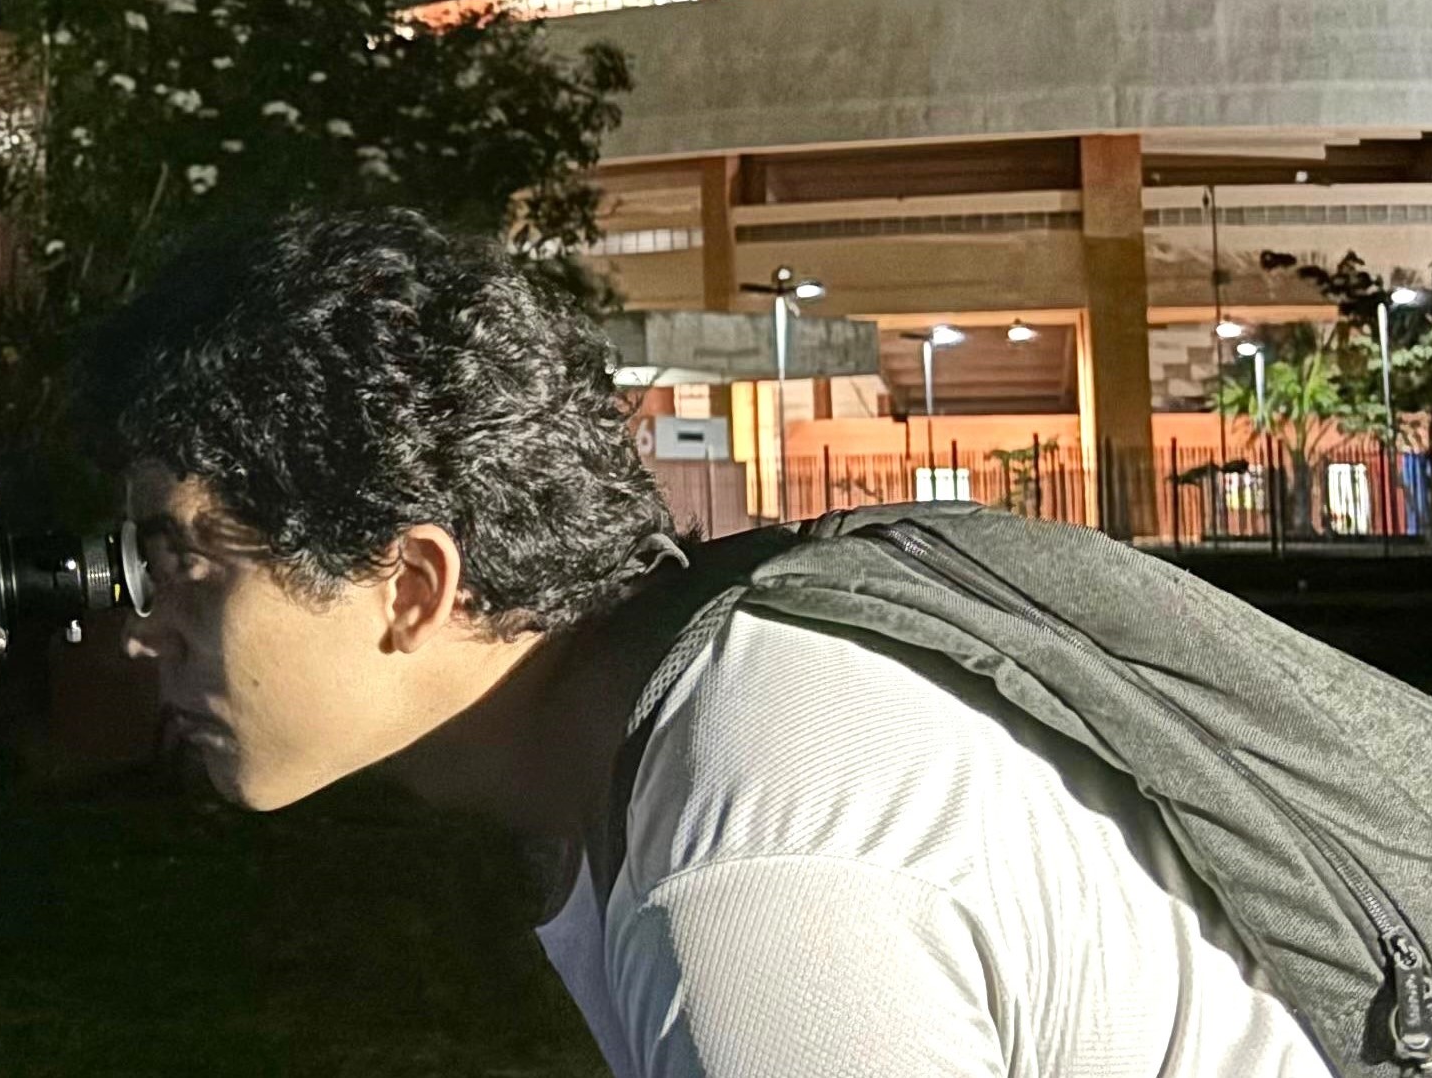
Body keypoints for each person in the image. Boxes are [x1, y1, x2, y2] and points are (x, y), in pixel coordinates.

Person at [81, 208, 1330, 1077]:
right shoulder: (705, 707)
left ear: (411, 584)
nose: (147, 632)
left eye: (185, 562)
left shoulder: (750, 865)